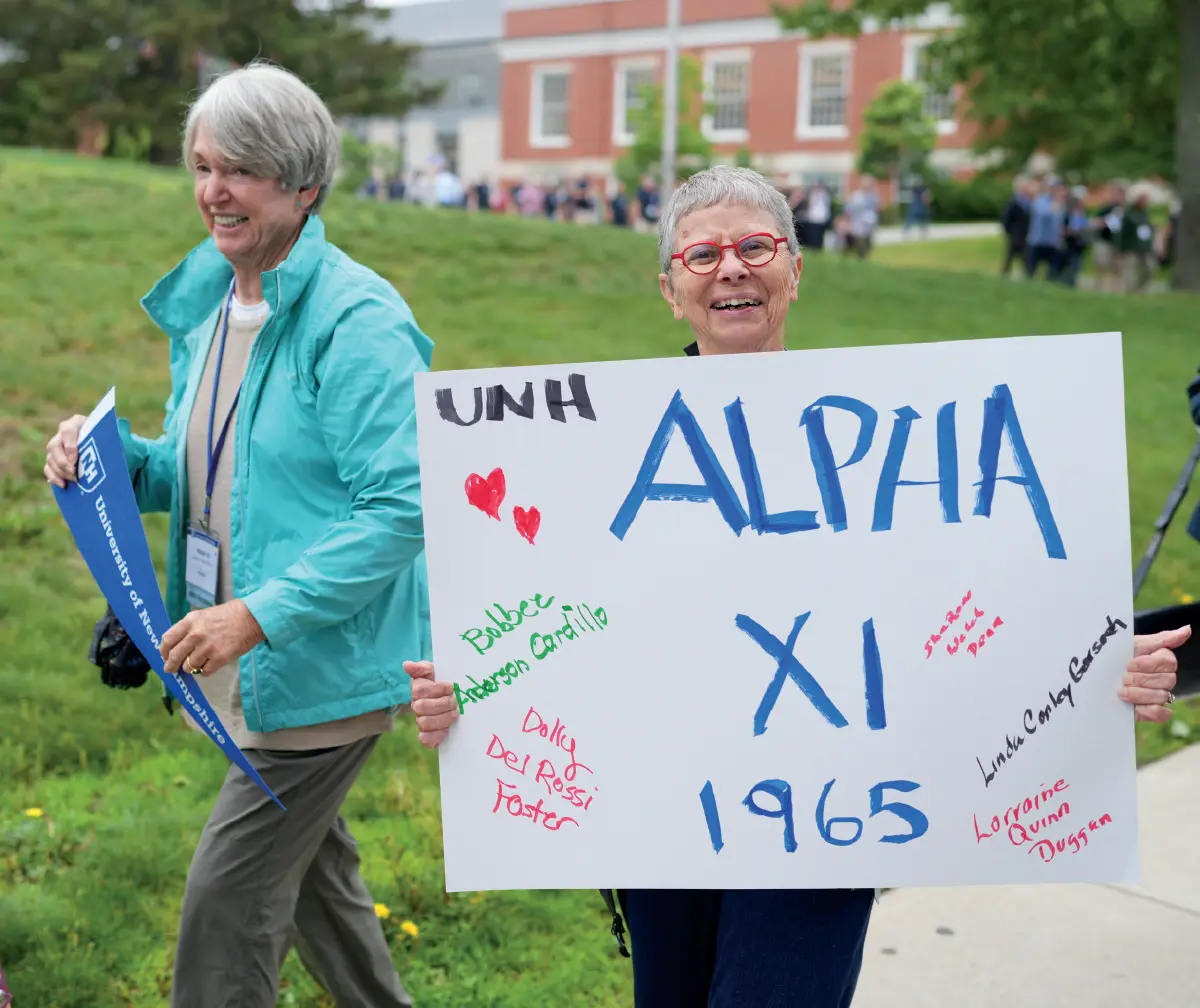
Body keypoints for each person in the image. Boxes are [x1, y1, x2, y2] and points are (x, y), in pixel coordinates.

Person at [398, 164, 1191, 1006]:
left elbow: (973, 605)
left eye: (755, 246)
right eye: (701, 256)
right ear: (670, 289)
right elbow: (553, 628)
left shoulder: (897, 436)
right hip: (661, 818)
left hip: (825, 817)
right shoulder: (594, 461)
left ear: (795, 269)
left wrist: (1099, 663)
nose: (731, 269)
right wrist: (471, 701)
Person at [43, 62, 430, 1008]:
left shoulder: (358, 320)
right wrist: (110, 460)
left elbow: (402, 508)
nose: (214, 191)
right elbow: (200, 467)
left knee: (227, 909)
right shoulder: (217, 304)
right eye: (205, 166)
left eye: (243, 171)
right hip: (247, 664)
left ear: (303, 186)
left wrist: (255, 617)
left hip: (318, 671)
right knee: (318, 896)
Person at [1025, 179, 1065, 280]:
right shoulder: (1041, 200)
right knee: (1031, 270)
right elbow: (1043, 214)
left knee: (1054, 270)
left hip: (1052, 242)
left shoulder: (1061, 203)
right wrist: (1054, 205)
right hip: (1038, 241)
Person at [1119, 186, 1156, 293]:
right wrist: (1121, 248)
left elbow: (1146, 230)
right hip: (1131, 247)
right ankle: (1130, 291)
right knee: (1130, 271)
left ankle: (1139, 288)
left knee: (1149, 269)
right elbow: (1122, 231)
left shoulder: (1145, 213)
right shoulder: (1128, 212)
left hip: (1144, 247)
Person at [1090, 183, 1125, 293]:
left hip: (1119, 243)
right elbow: (1094, 223)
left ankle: (1115, 290)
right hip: (1104, 241)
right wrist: (1107, 220)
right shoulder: (1106, 209)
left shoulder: (1126, 210)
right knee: (1101, 266)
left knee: (1118, 269)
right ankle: (1098, 289)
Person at [1000, 178, 1033, 277]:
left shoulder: (1029, 203)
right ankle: (1005, 274)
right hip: (1015, 234)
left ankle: (1027, 275)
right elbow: (1005, 220)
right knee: (1010, 256)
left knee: (1026, 257)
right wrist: (1010, 232)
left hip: (1025, 234)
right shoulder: (1013, 203)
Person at [843, 174, 879, 259]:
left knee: (868, 243)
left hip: (870, 224)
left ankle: (863, 257)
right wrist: (847, 220)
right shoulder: (856, 196)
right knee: (860, 241)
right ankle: (860, 257)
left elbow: (876, 209)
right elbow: (849, 209)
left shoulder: (873, 196)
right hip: (858, 223)